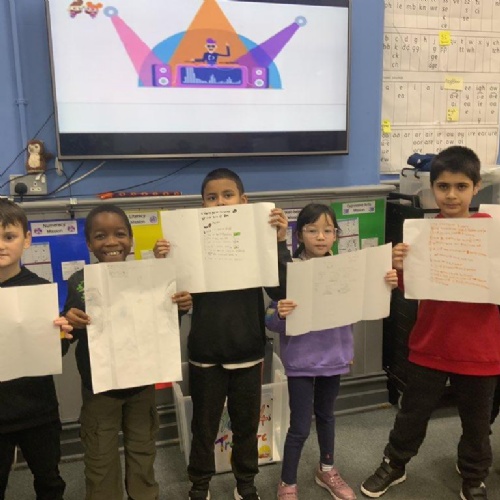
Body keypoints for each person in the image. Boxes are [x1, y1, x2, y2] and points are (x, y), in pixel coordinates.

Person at [360, 146, 500, 500]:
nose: (451, 195)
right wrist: (399, 267)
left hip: (480, 349)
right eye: (443, 186)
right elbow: (410, 288)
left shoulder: (491, 231)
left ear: (477, 187)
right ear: (431, 188)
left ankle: (473, 475)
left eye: (461, 186)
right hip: (430, 344)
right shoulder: (420, 235)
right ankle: (395, 463)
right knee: (412, 413)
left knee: (477, 423)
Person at [153, 168, 289, 500]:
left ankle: (246, 483)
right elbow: (172, 301)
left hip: (248, 352)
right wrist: (163, 264)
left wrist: (279, 243)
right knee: (203, 425)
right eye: (211, 198)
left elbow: (281, 290)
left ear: (243, 201)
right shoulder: (189, 245)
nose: (220, 202)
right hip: (205, 353)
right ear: (202, 205)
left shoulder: (258, 242)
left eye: (228, 195)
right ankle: (199, 484)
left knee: (246, 426)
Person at [264, 203, 398, 500]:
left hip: (334, 358)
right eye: (312, 230)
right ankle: (287, 482)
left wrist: (386, 284)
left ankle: (327, 469)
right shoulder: (290, 271)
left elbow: (362, 306)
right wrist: (281, 315)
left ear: (336, 235)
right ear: (299, 235)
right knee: (299, 427)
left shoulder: (345, 271)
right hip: (301, 361)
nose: (321, 237)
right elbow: (270, 320)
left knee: (326, 416)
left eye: (328, 230)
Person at [63, 204, 192, 500]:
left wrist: (180, 307)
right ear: (89, 243)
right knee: (100, 457)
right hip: (100, 389)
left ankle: (144, 494)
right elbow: (71, 327)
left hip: (141, 385)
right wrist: (70, 320)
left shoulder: (150, 277)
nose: (111, 242)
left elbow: (162, 325)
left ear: (131, 240)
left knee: (143, 450)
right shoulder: (80, 281)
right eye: (100, 236)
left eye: (120, 234)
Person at [0, 199, 73, 500]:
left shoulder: (40, 289)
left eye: (9, 236)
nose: (1, 245)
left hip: (38, 410)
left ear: (27, 239)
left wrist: (61, 335)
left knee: (49, 481)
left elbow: (54, 353)